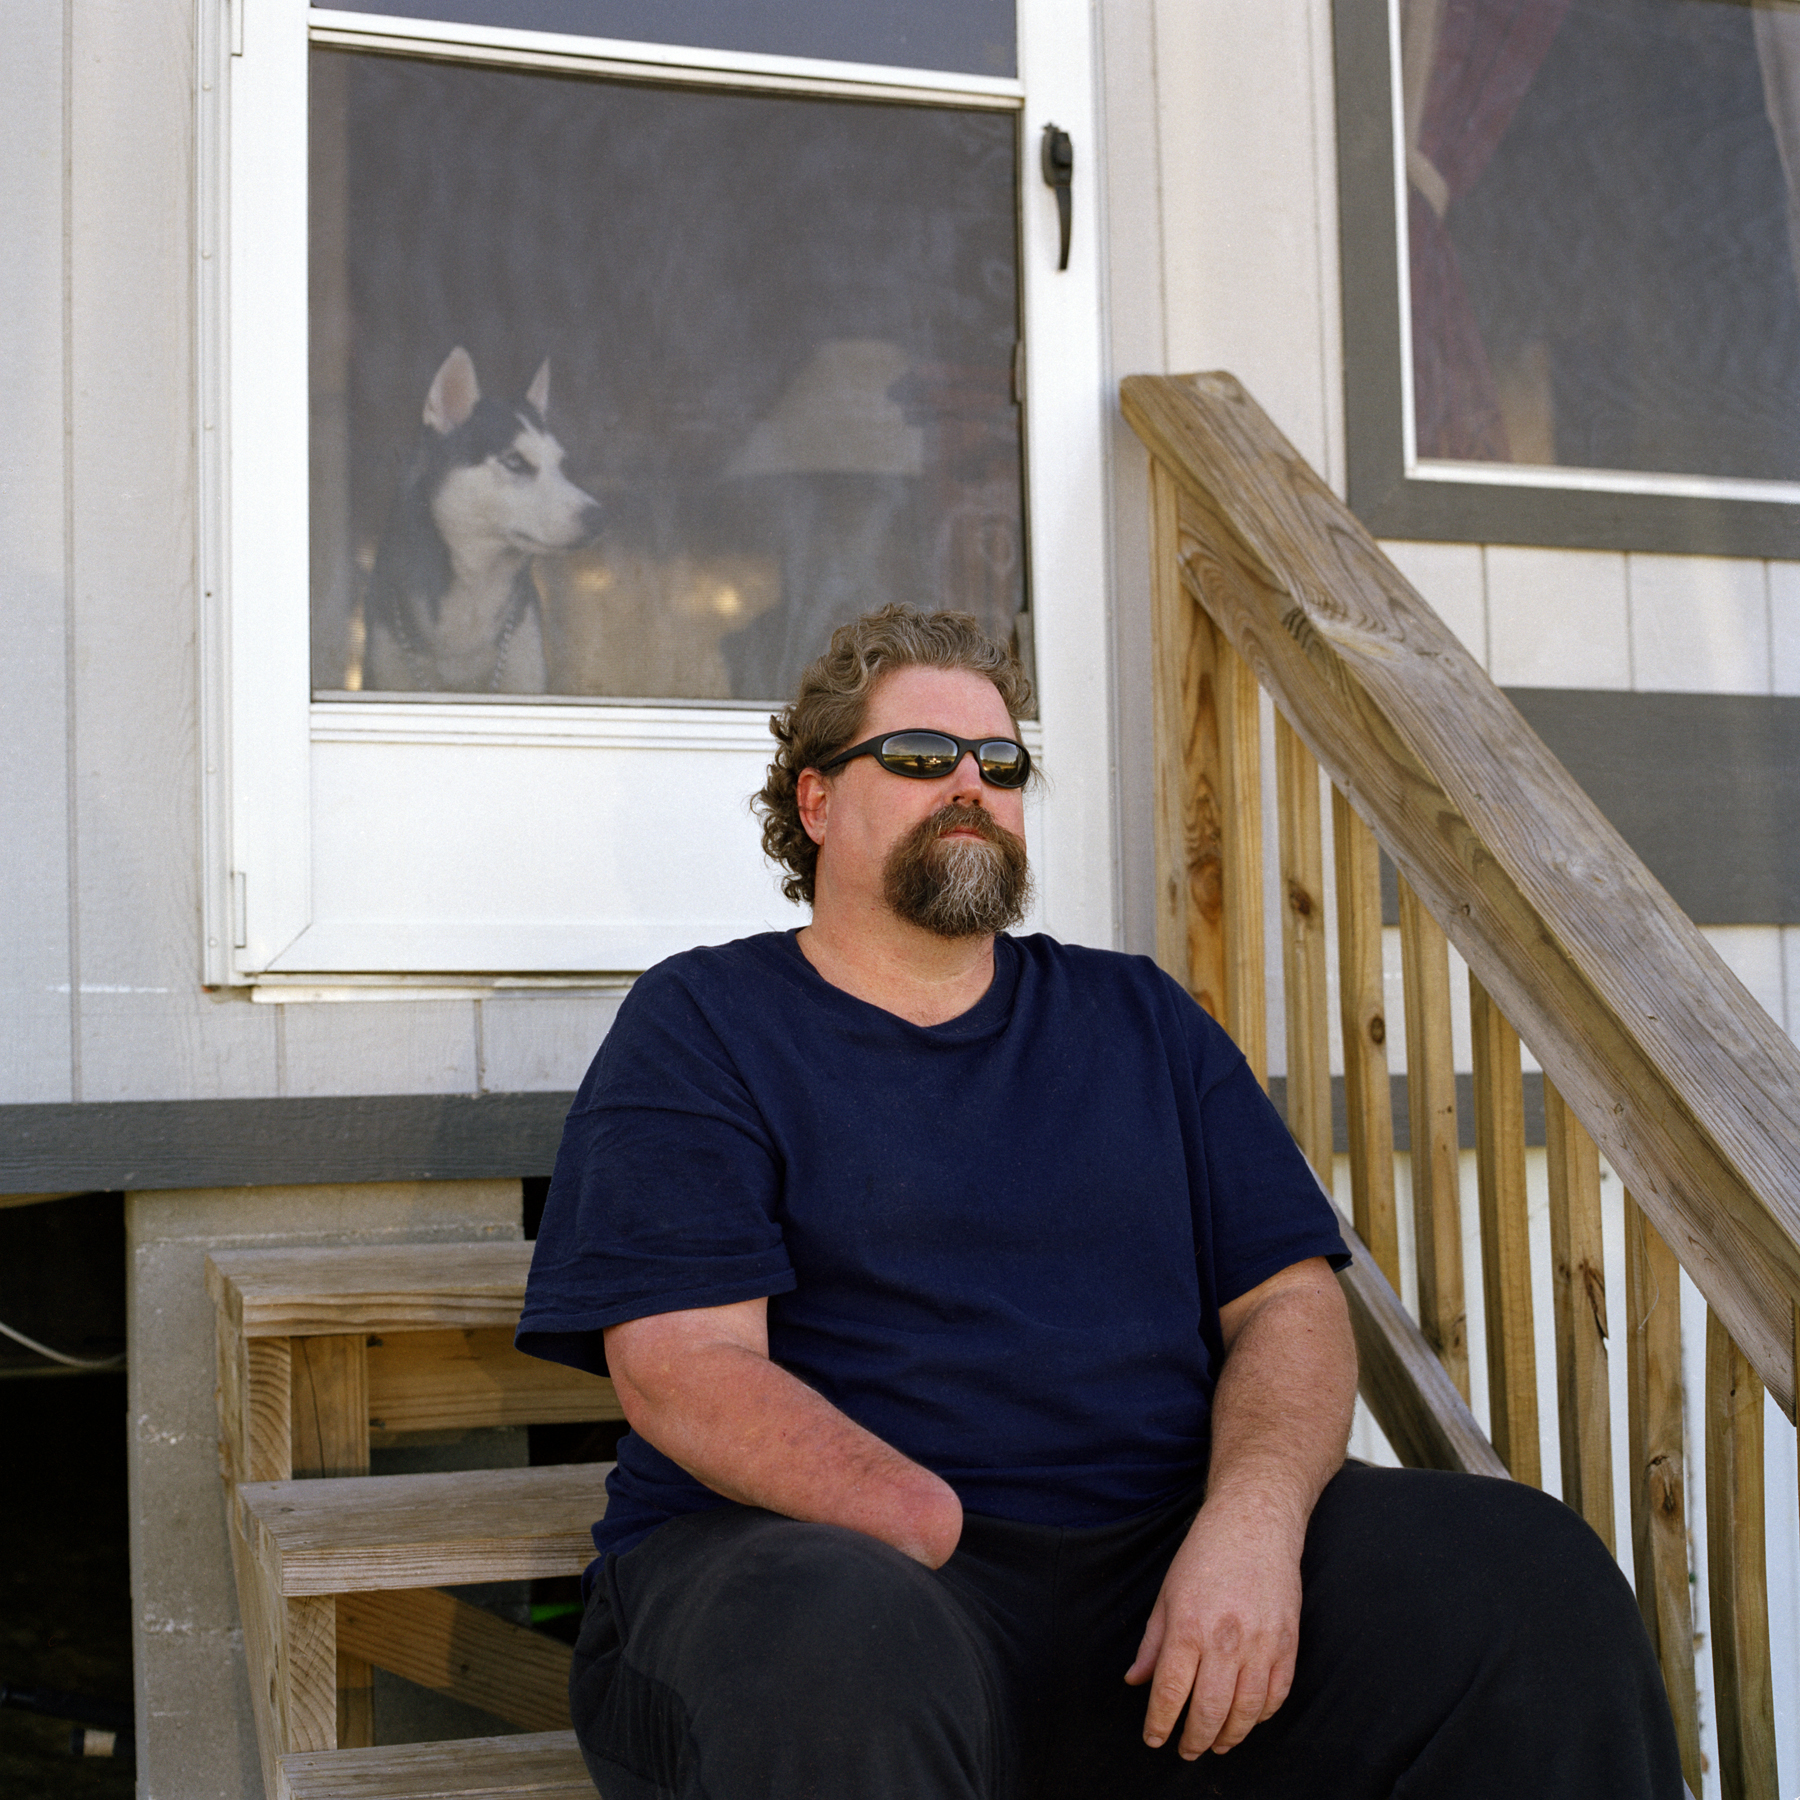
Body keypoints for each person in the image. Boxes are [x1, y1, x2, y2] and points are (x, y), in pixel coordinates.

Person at [519, 606, 1682, 1799]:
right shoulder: (705, 1025)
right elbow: (683, 1367)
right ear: (816, 803)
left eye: (1002, 761)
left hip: (1157, 1584)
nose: (971, 783)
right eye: (922, 757)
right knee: (843, 1643)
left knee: (1530, 1581)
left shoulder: (1140, 1022)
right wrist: (920, 1516)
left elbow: (1288, 1306)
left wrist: (1252, 1523)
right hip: (840, 1568)